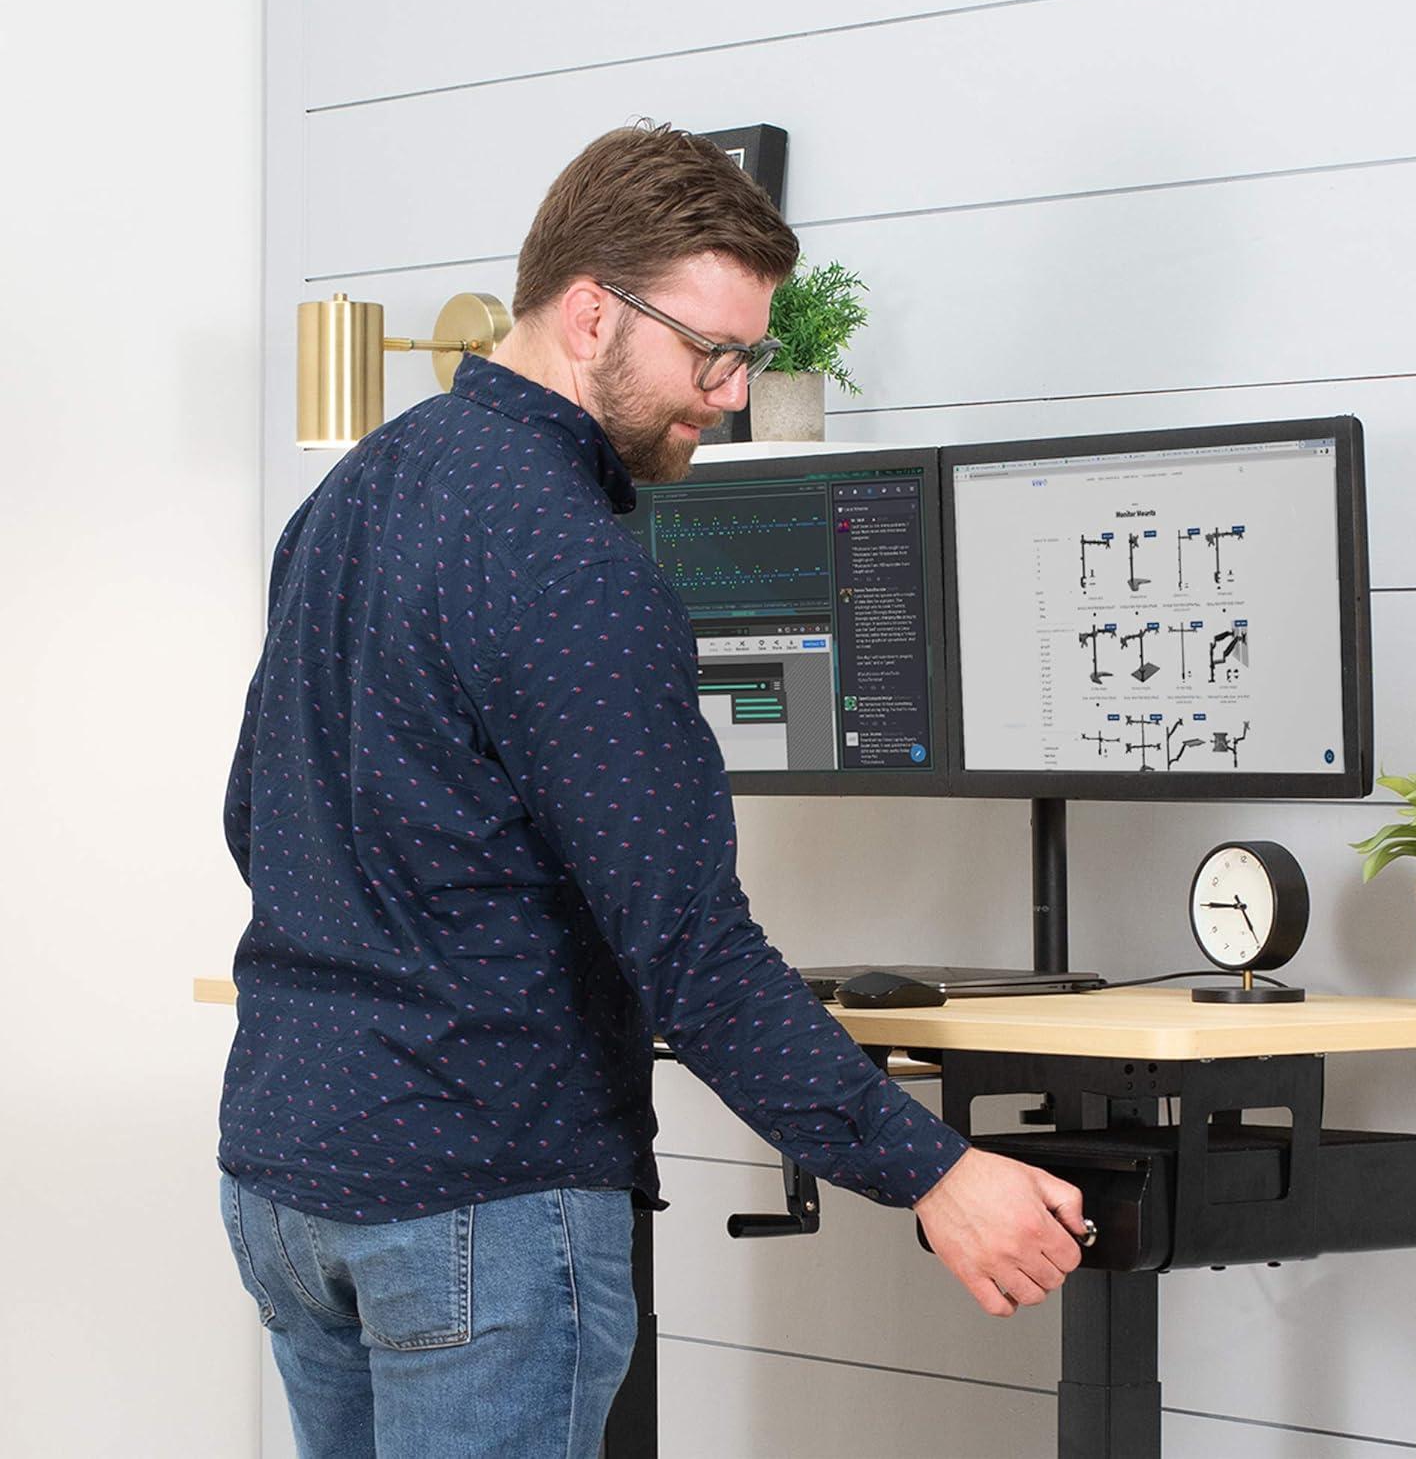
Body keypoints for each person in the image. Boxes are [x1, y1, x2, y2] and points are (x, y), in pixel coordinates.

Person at [217, 122, 1086, 1459]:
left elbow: (254, 817)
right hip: (473, 1194)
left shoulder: (351, 496)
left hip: (287, 1179)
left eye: (749, 357)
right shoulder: (572, 563)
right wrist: (936, 1171)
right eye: (713, 352)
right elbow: (692, 952)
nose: (732, 393)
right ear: (586, 313)